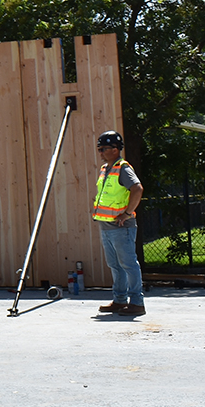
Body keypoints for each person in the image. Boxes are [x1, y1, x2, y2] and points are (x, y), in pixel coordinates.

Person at [92, 130, 146, 317]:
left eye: (103, 149)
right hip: (106, 225)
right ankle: (120, 300)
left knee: (128, 264)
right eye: (99, 149)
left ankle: (137, 303)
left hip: (121, 227)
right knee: (115, 265)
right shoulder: (105, 169)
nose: (100, 152)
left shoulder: (123, 168)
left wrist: (128, 213)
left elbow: (137, 189)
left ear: (115, 149)